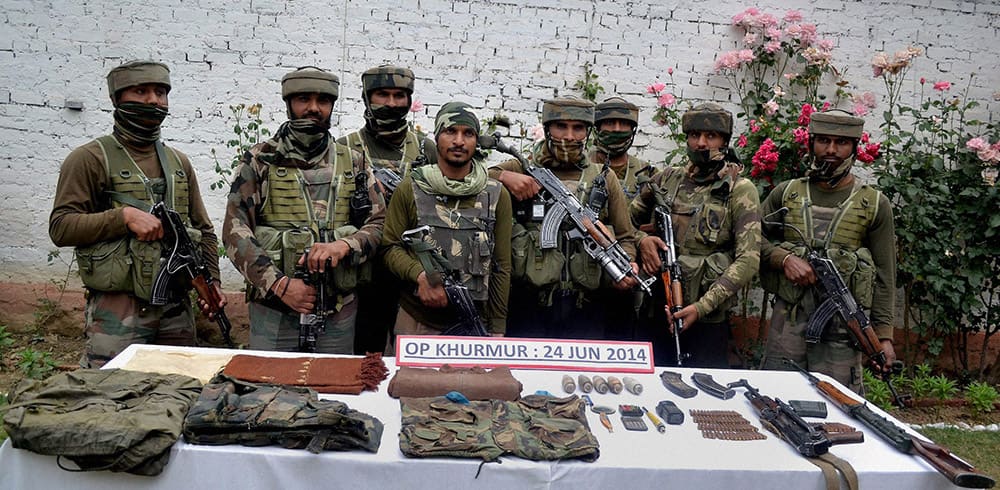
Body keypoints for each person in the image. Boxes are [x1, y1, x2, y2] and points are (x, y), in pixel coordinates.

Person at [49, 60, 224, 367]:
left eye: (160, 92)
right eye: (141, 92)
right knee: (109, 397)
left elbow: (203, 229)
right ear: (117, 99)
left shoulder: (178, 163)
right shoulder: (89, 158)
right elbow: (61, 227)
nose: (153, 101)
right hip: (118, 313)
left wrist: (212, 284)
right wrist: (124, 217)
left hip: (175, 312)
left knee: (178, 394)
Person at [223, 66, 385, 353]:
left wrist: (344, 246)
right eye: (304, 100)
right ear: (289, 103)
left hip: (338, 312)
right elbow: (235, 232)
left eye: (323, 101)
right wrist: (280, 285)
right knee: (268, 389)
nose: (313, 108)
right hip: (274, 311)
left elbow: (378, 224)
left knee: (332, 390)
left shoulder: (354, 162)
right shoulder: (259, 161)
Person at [759, 109, 896, 393]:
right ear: (811, 143)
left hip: (843, 330)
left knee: (838, 406)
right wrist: (783, 259)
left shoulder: (873, 203)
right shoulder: (786, 193)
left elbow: (885, 274)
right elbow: (750, 240)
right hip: (789, 322)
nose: (831, 150)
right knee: (777, 398)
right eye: (823, 140)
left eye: (841, 142)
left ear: (854, 148)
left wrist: (883, 336)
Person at [488, 97, 639, 340]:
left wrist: (628, 263)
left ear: (588, 132)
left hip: (587, 308)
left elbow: (625, 237)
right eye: (561, 126)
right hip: (529, 306)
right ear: (547, 128)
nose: (569, 136)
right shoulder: (521, 168)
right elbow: (477, 177)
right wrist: (505, 176)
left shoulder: (603, 177)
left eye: (578, 128)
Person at [630, 103, 761, 367]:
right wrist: (641, 240)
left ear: (724, 141)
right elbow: (625, 223)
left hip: (707, 317)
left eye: (710, 136)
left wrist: (701, 307)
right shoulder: (667, 179)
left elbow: (748, 260)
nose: (701, 143)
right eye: (694, 135)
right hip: (658, 306)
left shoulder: (740, 190)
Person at [381, 102, 512, 336]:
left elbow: (501, 266)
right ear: (437, 136)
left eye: (468, 133)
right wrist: (419, 275)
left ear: (477, 141)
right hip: (417, 321)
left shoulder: (496, 194)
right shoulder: (411, 188)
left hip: (474, 321)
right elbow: (390, 247)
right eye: (450, 131)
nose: (459, 141)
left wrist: (498, 328)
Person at [337, 64, 434, 355]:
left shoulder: (425, 150)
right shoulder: (345, 149)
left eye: (399, 95)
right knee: (364, 355)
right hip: (362, 274)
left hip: (412, 273)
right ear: (367, 97)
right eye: (382, 95)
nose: (391, 103)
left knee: (410, 356)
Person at [590, 97, 651, 200]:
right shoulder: (582, 166)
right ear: (598, 128)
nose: (617, 129)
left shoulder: (646, 172)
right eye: (609, 123)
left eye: (623, 123)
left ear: (632, 130)